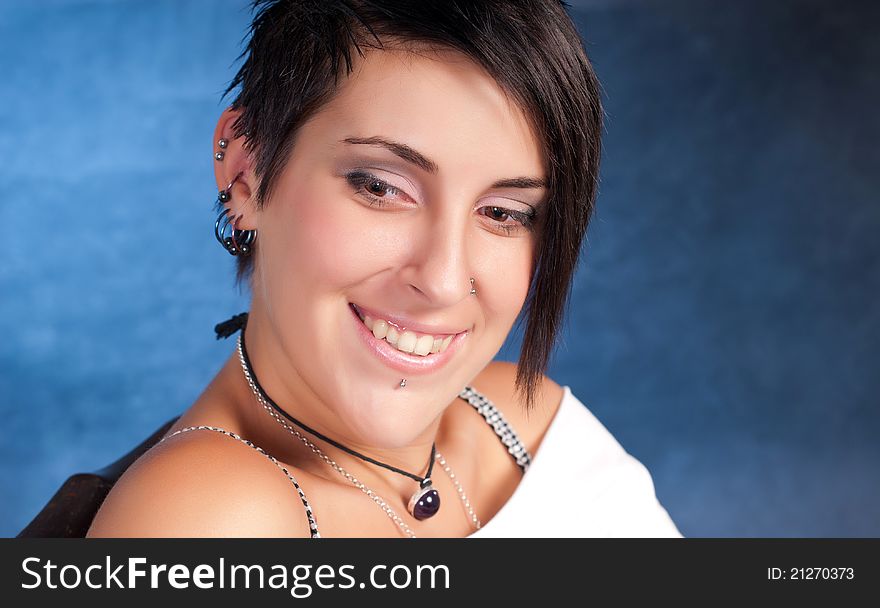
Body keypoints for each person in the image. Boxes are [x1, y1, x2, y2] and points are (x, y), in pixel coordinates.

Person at [86, 0, 682, 538]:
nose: (444, 279)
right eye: (380, 186)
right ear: (246, 171)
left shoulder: (524, 422)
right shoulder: (206, 519)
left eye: (503, 212)